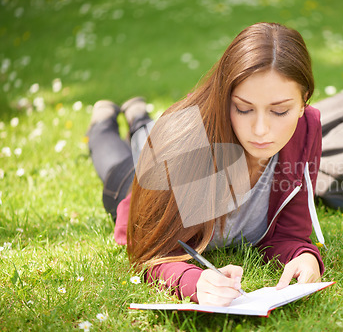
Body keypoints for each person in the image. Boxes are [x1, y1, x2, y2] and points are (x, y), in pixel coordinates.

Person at [87, 22, 325, 307]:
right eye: (244, 108)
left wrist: (304, 257)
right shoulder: (188, 138)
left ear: (303, 102)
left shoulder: (305, 128)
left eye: (280, 110)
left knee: (144, 135)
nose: (261, 129)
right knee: (118, 168)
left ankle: (139, 116)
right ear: (225, 99)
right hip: (149, 184)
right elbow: (153, 253)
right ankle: (102, 123)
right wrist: (194, 282)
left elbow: (289, 233)